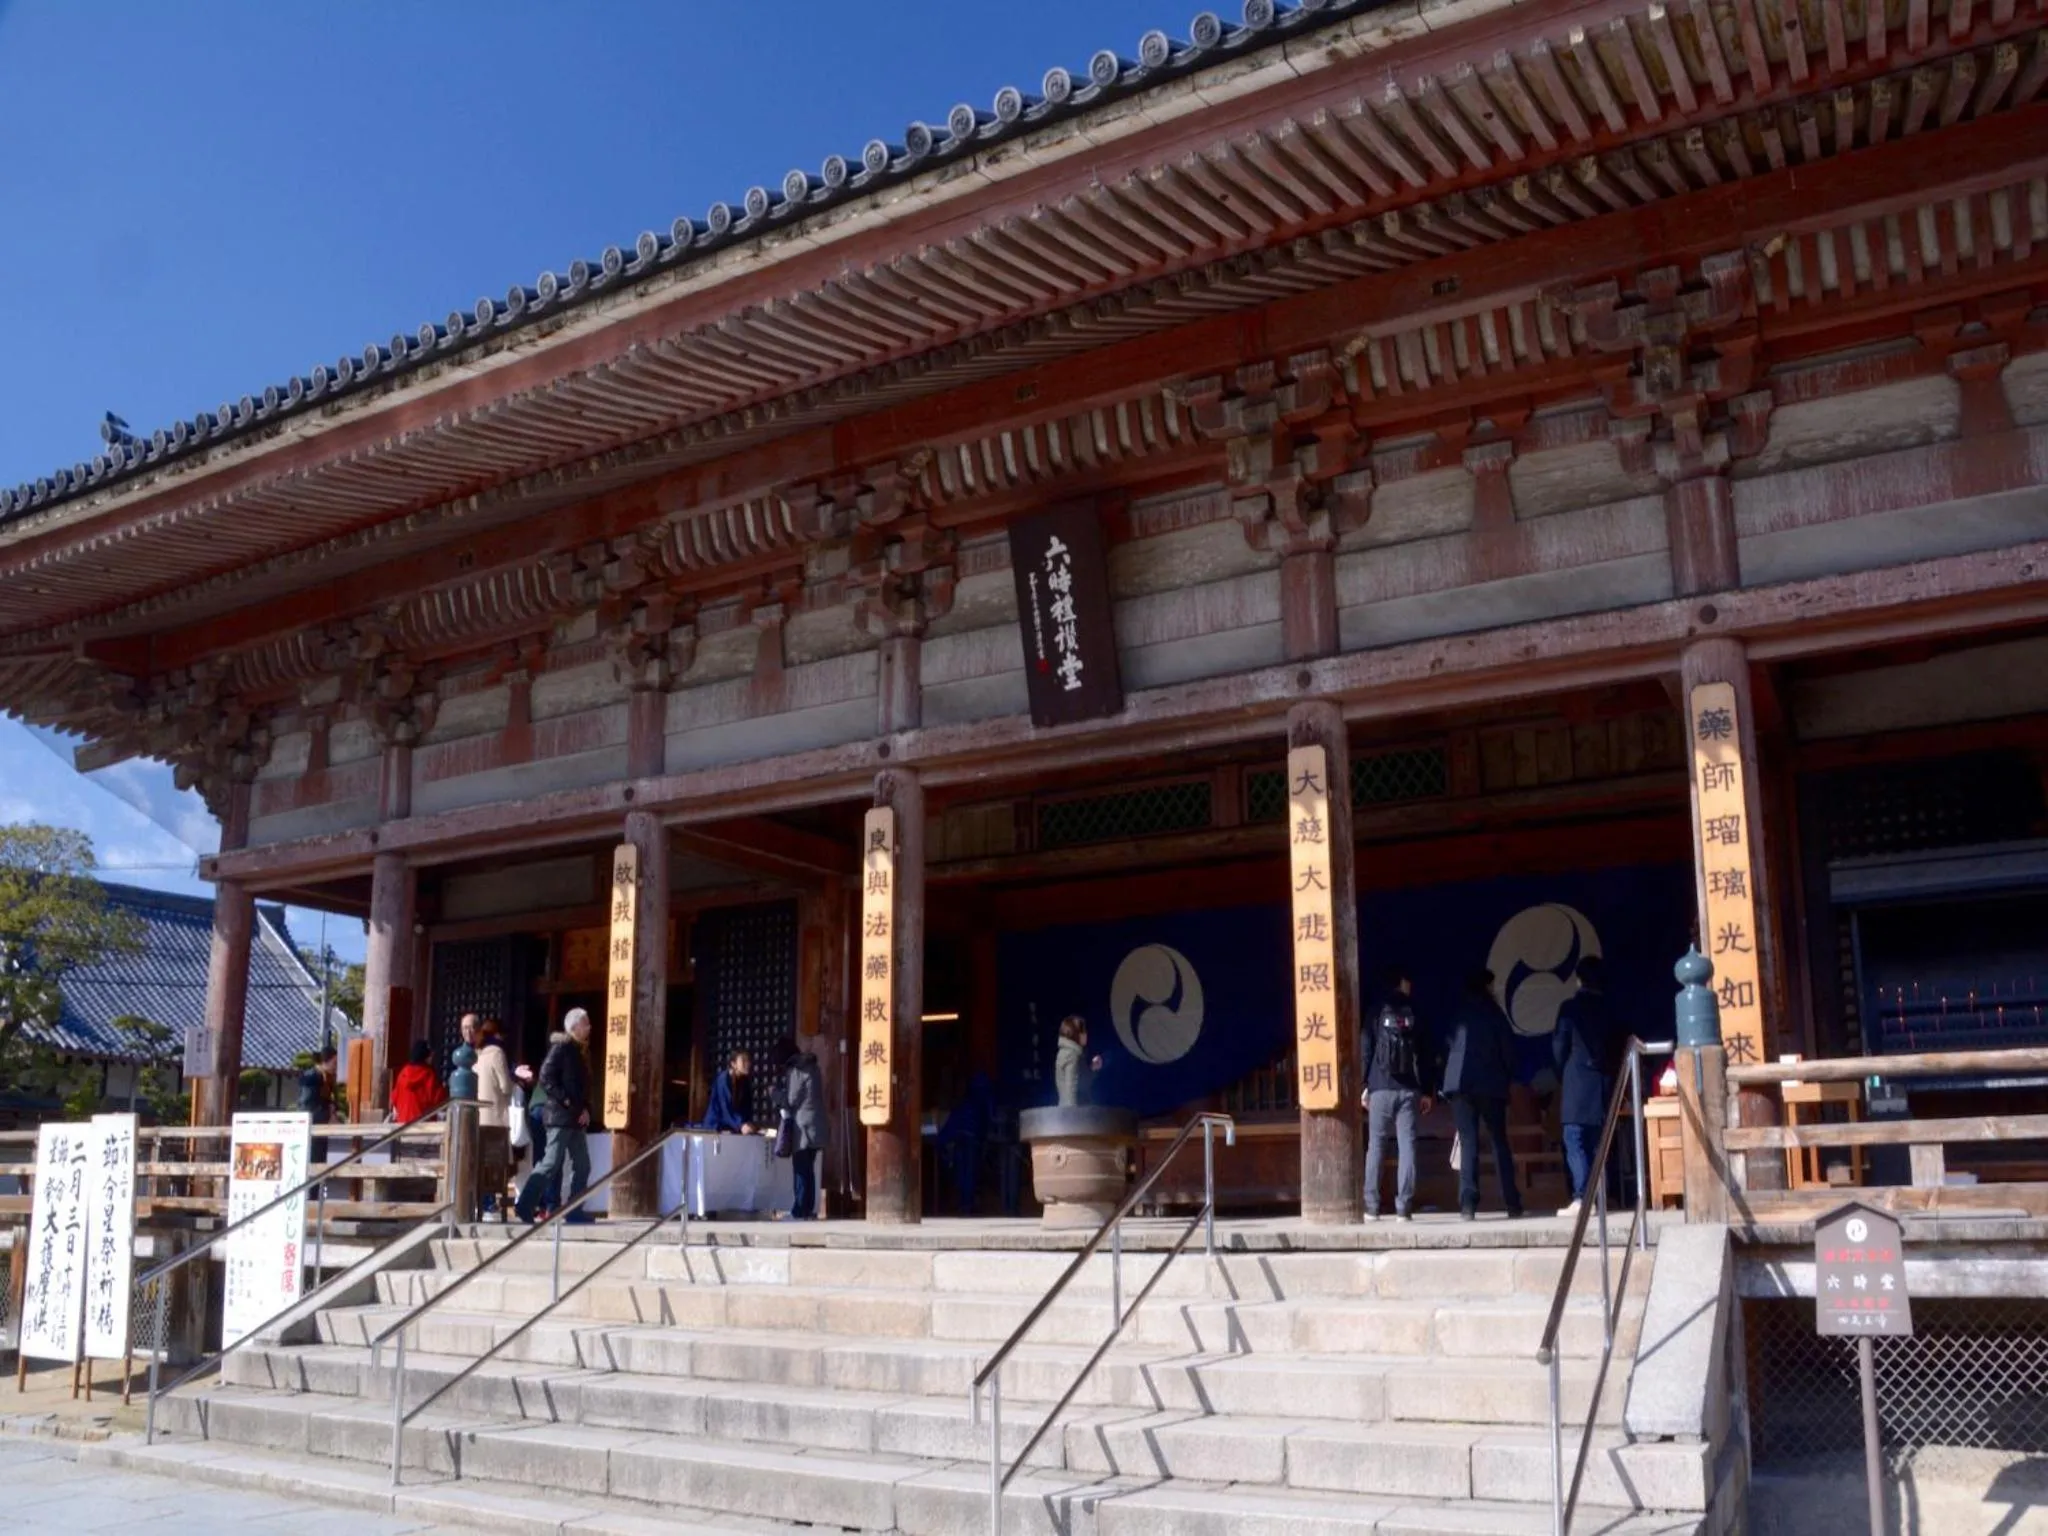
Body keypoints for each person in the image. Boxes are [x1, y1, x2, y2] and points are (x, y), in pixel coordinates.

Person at [1438, 969, 1523, 1221]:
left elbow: (1447, 1047)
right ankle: (1512, 1202)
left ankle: (1467, 1204)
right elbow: (1509, 1052)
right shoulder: (1495, 1015)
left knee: (1468, 1141)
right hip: (1491, 1084)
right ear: (1487, 987)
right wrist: (1506, 1078)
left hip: (1461, 1086)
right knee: (1499, 1142)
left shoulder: (1457, 1014)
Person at [1360, 969, 1434, 1222]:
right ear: (1402, 982)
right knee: (1407, 1146)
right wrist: (1427, 1090)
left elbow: (1366, 1047)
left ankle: (1372, 1207)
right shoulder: (1416, 1011)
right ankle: (1404, 1207)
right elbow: (1425, 1054)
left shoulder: (1375, 1011)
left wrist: (1364, 1085)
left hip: (1380, 1087)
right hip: (1409, 1089)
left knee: (1376, 1147)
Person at [1552, 956, 1617, 1219]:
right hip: (1603, 1081)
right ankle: (1601, 1194)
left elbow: (1559, 1046)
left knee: (1574, 1138)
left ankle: (1582, 1197)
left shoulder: (1570, 1008)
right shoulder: (1609, 1008)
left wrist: (1561, 1072)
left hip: (1577, 1080)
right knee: (1597, 1142)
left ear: (1578, 979)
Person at [516, 1009, 593, 1223]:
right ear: (575, 1027)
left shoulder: (580, 1051)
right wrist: (567, 1101)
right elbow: (546, 1076)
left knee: (583, 1164)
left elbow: (582, 1088)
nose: (589, 1027)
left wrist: (585, 1108)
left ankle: (575, 1208)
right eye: (585, 1023)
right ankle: (525, 1205)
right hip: (560, 1117)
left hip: (575, 1117)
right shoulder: (563, 1047)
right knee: (550, 1163)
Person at [779, 1037, 826, 1220]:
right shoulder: (814, 1068)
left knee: (800, 1169)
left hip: (803, 1126)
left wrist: (775, 1094)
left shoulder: (796, 1070)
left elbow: (791, 1100)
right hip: (816, 1124)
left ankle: (799, 1211)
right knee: (809, 1170)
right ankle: (809, 1210)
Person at [391, 1039, 447, 1124]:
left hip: (402, 1125)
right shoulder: (428, 1075)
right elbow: (438, 1100)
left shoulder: (403, 1073)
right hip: (424, 1125)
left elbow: (395, 1098)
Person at [702, 1050, 755, 1134]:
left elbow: (747, 1107)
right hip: (716, 1125)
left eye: (748, 1061)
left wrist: (748, 1122)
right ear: (733, 1064)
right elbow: (725, 1108)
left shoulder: (745, 1081)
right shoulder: (723, 1080)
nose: (747, 1064)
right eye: (743, 1061)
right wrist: (741, 1125)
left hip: (733, 1125)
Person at [1054, 1016, 1102, 1108]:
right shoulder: (1072, 1055)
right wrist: (1073, 1115)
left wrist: (1093, 1068)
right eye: (1083, 1031)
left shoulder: (1067, 1053)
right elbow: (1071, 1087)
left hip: (1069, 1111)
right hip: (1076, 1114)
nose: (1086, 1035)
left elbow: (1081, 1081)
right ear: (1075, 1034)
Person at [298, 1046, 337, 1118]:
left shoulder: (326, 1077)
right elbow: (307, 1106)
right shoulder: (310, 1078)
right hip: (311, 1119)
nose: (336, 1067)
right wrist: (328, 1114)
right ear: (325, 1062)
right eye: (334, 1063)